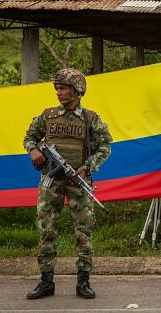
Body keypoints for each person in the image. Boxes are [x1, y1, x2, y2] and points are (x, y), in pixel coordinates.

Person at [23, 69, 112, 300]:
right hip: (51, 182)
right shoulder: (48, 116)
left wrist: (87, 167)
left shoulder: (90, 119)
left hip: (78, 182)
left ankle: (83, 282)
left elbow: (105, 147)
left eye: (62, 88)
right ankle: (46, 282)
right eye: (57, 88)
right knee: (46, 230)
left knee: (83, 231)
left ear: (77, 90)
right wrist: (33, 150)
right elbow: (30, 137)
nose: (58, 93)